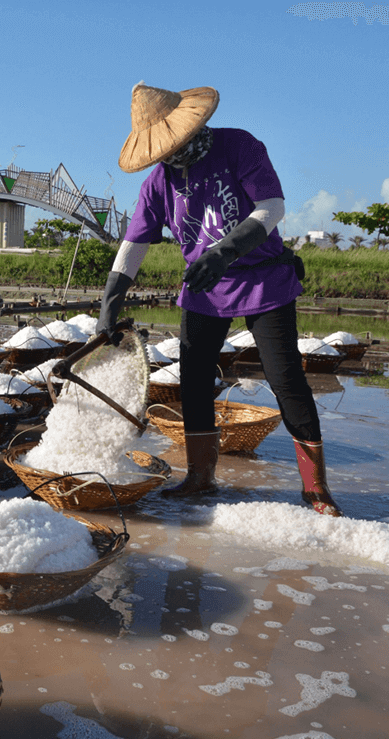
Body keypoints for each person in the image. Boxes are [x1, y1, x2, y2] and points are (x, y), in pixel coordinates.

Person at [97, 82, 342, 517]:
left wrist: (224, 251)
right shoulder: (158, 182)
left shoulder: (238, 146)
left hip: (262, 277)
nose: (170, 154)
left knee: (285, 377)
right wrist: (109, 305)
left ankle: (315, 487)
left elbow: (271, 208)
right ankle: (200, 477)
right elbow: (133, 245)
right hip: (205, 285)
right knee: (192, 381)